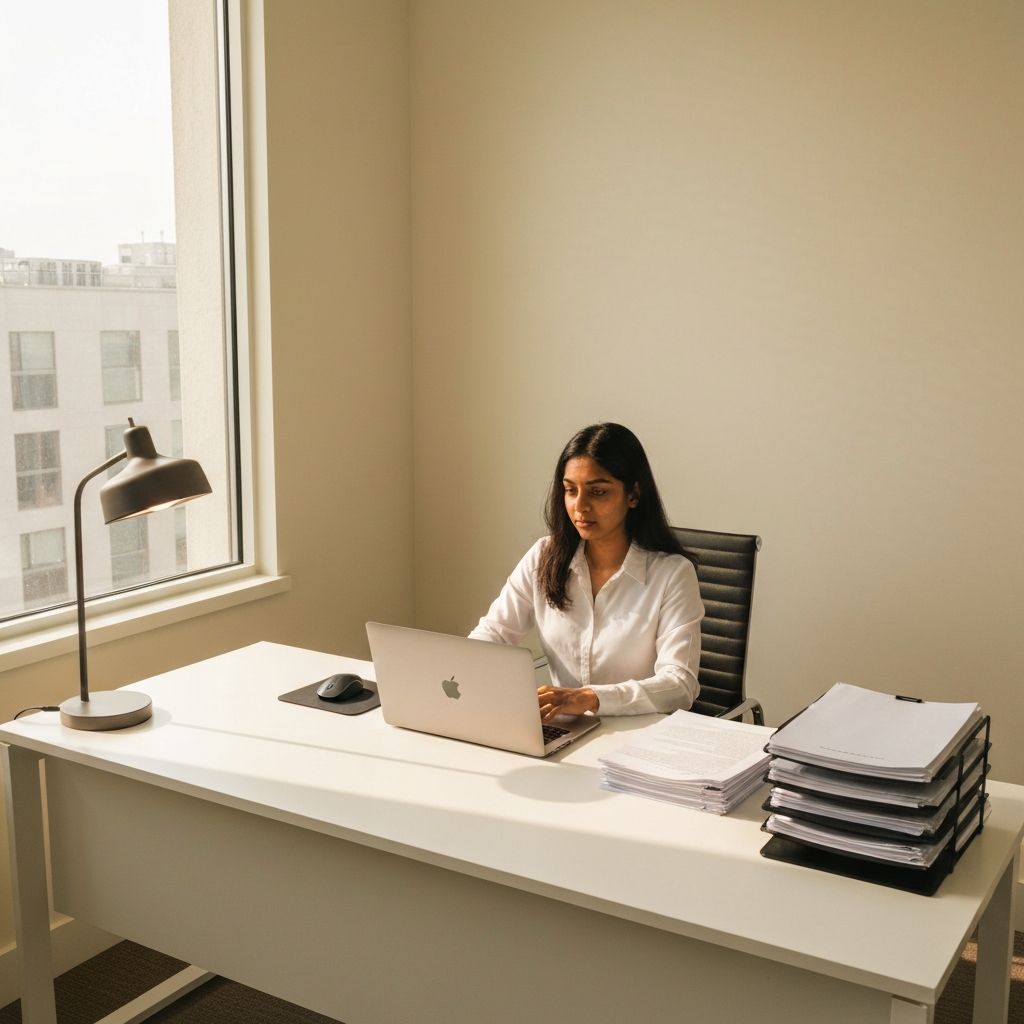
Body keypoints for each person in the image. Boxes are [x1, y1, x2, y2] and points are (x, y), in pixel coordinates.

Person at [470, 423, 704, 721]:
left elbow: (679, 685)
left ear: (633, 494)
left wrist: (591, 698)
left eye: (598, 492)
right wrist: (461, 672)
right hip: (564, 730)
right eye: (570, 490)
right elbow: (494, 632)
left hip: (638, 738)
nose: (580, 506)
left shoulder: (672, 574)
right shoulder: (544, 556)